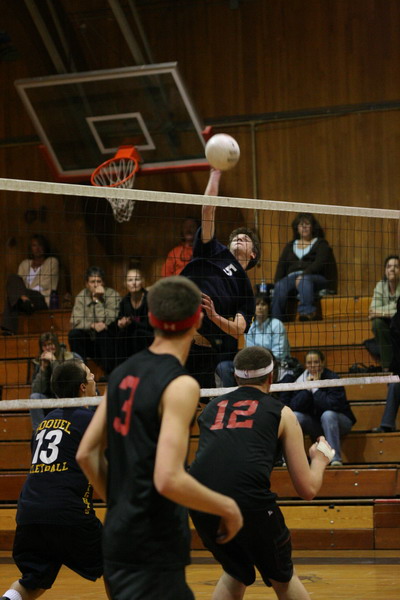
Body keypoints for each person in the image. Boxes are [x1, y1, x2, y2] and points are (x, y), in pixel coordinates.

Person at [76, 276, 243, 600]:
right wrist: (228, 507)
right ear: (197, 319)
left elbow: (86, 454)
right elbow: (168, 478)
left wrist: (122, 504)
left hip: (118, 535)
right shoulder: (181, 385)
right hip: (154, 541)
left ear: (151, 318)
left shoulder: (121, 373)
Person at [189, 345, 333, 600]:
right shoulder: (282, 413)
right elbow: (308, 489)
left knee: (236, 571)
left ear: (235, 377)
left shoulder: (210, 409)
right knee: (282, 578)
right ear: (271, 377)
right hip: (248, 503)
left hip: (201, 503)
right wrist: (320, 459)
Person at [0, 360, 108, 600]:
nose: (94, 379)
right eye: (90, 375)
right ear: (82, 387)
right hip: (67, 513)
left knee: (34, 580)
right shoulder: (90, 421)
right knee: (117, 561)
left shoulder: (43, 424)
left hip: (29, 514)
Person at [181, 169, 260, 388]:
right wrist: (215, 174)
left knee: (202, 404)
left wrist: (214, 316)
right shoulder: (213, 250)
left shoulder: (245, 290)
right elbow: (208, 208)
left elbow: (238, 329)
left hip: (206, 352)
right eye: (236, 237)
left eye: (246, 239)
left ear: (253, 255)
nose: (239, 238)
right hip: (177, 335)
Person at [282, 349, 356, 466]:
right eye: (309, 363)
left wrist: (315, 389)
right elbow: (294, 406)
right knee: (295, 416)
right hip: (316, 425)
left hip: (339, 422)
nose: (313, 366)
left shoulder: (332, 378)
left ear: (322, 362)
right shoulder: (301, 379)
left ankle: (335, 459)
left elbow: (332, 405)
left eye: (316, 362)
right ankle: (291, 460)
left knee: (328, 415)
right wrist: (308, 388)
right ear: (305, 365)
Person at [271, 213, 337, 322]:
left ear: (312, 227)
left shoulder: (321, 244)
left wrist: (304, 274)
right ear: (297, 228)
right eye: (301, 224)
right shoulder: (290, 246)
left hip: (314, 277)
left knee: (304, 280)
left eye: (307, 224)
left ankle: (307, 313)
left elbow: (320, 263)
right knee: (280, 285)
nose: (304, 227)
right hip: (291, 278)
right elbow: (281, 266)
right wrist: (277, 282)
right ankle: (276, 320)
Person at [215, 292, 291, 387]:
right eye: (257, 304)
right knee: (224, 367)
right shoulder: (250, 327)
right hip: (254, 366)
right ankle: (234, 394)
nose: (260, 307)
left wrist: (261, 362)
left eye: (263, 304)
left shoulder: (276, 324)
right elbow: (249, 353)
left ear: (268, 307)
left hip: (275, 365)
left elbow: (279, 354)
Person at [1, 234, 59, 335]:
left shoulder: (52, 262)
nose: (37, 248)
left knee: (13, 296)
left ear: (45, 246)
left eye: (40, 245)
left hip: (41, 298)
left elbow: (46, 284)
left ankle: (8, 329)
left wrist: (23, 292)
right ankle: (25, 300)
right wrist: (23, 294)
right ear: (30, 248)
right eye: (34, 245)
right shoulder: (24, 264)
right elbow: (18, 283)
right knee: (12, 278)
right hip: (25, 301)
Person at [68, 266, 120, 377]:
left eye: (99, 281)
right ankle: (80, 373)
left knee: (104, 333)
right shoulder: (81, 296)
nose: (96, 285)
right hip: (88, 339)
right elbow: (75, 321)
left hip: (108, 339)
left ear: (103, 282)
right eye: (92, 282)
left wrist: (97, 300)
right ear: (87, 284)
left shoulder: (112, 295)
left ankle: (109, 374)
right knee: (74, 334)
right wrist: (91, 325)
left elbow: (110, 320)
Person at [29, 331, 80, 430]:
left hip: (67, 397)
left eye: (51, 344)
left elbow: (64, 384)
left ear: (56, 344)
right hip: (49, 399)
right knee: (34, 397)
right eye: (45, 346)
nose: (48, 348)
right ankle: (39, 431)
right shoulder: (39, 362)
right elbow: (36, 390)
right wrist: (43, 369)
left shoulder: (70, 357)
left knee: (60, 394)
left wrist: (54, 362)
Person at [109, 267, 153, 369]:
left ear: (142, 281)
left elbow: (150, 325)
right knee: (120, 335)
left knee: (137, 334)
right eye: (130, 280)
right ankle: (120, 370)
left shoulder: (149, 298)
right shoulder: (125, 301)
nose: (134, 283)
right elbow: (120, 318)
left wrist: (132, 322)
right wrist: (120, 323)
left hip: (149, 334)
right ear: (125, 283)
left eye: (137, 279)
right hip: (131, 334)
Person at [368, 255, 400, 371]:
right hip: (388, 324)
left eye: (396, 266)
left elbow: (397, 310)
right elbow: (372, 310)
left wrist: (380, 312)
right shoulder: (380, 286)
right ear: (385, 270)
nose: (392, 269)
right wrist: (392, 308)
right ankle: (387, 367)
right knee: (377, 323)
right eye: (389, 266)